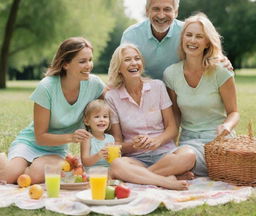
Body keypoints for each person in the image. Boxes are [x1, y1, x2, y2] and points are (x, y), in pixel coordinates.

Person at [0, 37, 105, 184]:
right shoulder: (47, 87)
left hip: (56, 150)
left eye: (90, 60)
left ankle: (30, 167)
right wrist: (71, 137)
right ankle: (4, 160)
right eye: (82, 61)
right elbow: (40, 136)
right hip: (30, 143)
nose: (89, 66)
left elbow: (109, 111)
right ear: (65, 64)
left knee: (35, 176)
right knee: (6, 178)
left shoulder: (95, 85)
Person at [105, 43, 196, 190]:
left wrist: (156, 141)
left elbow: (172, 128)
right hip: (136, 158)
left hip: (165, 154)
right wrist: (134, 145)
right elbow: (117, 144)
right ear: (119, 67)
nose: (134, 63)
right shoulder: (112, 97)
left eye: (137, 58)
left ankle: (140, 177)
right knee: (117, 164)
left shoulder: (157, 87)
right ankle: (167, 180)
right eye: (127, 60)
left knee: (189, 155)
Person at [163, 13, 240, 176]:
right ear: (182, 38)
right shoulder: (171, 74)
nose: (192, 40)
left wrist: (227, 126)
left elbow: (234, 112)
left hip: (218, 141)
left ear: (207, 43)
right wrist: (170, 145)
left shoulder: (221, 72)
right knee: (183, 156)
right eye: (188, 35)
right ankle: (161, 175)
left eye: (199, 36)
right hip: (188, 141)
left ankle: (145, 177)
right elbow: (175, 116)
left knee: (184, 159)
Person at [121, 0, 231, 80]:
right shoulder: (131, 35)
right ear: (147, 11)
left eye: (167, 9)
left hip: (179, 95)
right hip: (144, 94)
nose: (161, 15)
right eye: (156, 9)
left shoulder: (188, 32)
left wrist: (220, 59)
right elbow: (121, 70)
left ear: (176, 12)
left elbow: (209, 53)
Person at [80, 99, 115, 168]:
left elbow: (112, 162)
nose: (102, 120)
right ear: (87, 121)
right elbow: (85, 162)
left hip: (110, 172)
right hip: (94, 174)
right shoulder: (86, 139)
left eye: (105, 116)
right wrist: (98, 155)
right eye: (97, 117)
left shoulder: (110, 138)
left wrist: (116, 156)